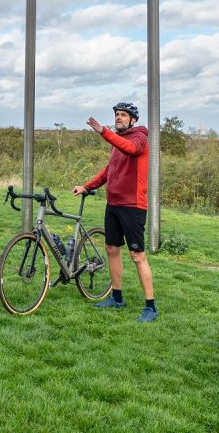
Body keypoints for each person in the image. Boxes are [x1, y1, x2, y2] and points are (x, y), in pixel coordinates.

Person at [71, 101, 158, 323]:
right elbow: (108, 171)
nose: (118, 117)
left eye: (123, 115)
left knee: (137, 256)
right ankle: (117, 298)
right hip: (114, 204)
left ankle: (151, 307)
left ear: (133, 120)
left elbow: (130, 149)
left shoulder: (140, 138)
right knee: (111, 249)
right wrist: (87, 186)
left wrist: (103, 131)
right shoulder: (117, 144)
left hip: (133, 206)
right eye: (117, 114)